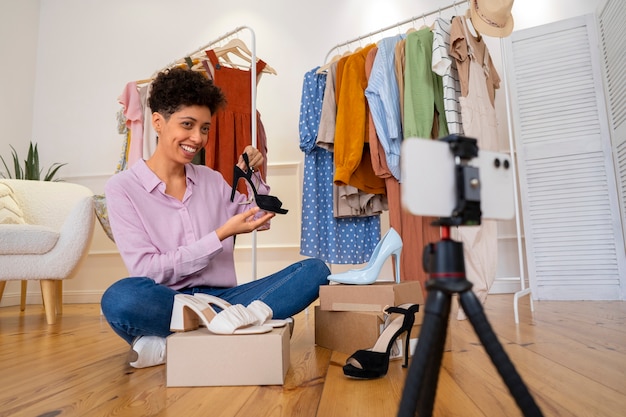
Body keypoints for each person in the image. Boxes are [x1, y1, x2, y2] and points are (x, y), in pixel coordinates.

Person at [101, 67, 330, 368]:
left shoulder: (210, 179)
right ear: (157, 122)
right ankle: (233, 328)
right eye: (187, 125)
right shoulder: (122, 188)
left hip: (226, 299)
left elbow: (260, 216)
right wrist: (219, 235)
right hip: (168, 301)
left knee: (315, 270)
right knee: (120, 298)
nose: (197, 138)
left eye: (205, 128)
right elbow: (148, 270)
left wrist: (252, 176)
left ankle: (178, 341)